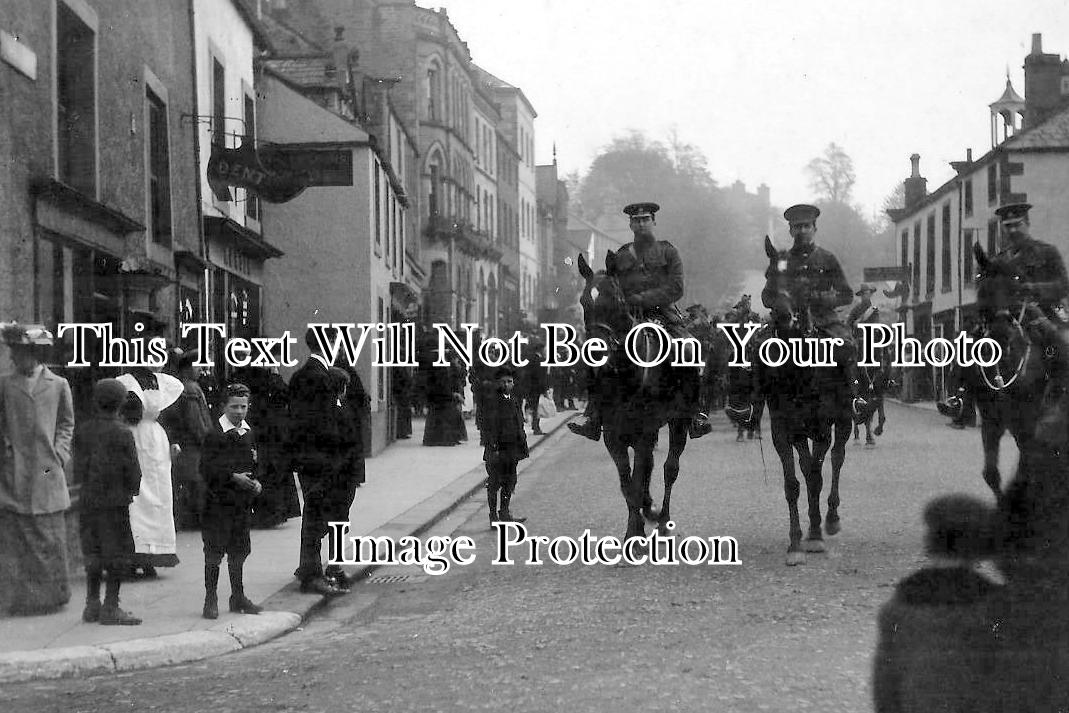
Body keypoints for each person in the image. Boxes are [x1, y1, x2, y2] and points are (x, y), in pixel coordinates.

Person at [569, 201, 708, 441]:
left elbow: (676, 287)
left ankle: (694, 413)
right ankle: (593, 415)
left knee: (688, 349)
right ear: (631, 225)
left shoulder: (668, 251)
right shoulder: (621, 255)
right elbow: (612, 284)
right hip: (627, 316)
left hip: (663, 315)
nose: (641, 224)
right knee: (597, 353)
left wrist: (642, 298)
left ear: (653, 222)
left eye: (645, 219)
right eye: (637, 220)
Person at [0, 323, 75, 616]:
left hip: (47, 470)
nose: (13, 358)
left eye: (18, 353)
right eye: (13, 353)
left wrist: (60, 454)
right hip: (15, 470)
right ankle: (22, 599)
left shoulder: (58, 384)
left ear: (34, 354)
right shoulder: (5, 385)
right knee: (18, 534)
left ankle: (52, 597)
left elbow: (67, 423)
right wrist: (6, 450)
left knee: (49, 535)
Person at [772, 203, 864, 409]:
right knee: (758, 351)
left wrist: (822, 298)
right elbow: (774, 289)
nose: (802, 231)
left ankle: (854, 399)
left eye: (806, 226)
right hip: (789, 319)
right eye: (797, 227)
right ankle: (751, 407)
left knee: (847, 346)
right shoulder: (783, 261)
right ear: (790, 230)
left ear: (815, 228)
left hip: (825, 320)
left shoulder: (827, 258)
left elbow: (846, 295)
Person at [76, 378, 143, 625]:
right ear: (121, 403)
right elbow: (133, 470)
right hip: (115, 503)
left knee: (93, 553)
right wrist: (132, 490)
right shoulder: (123, 433)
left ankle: (92, 604)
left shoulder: (84, 430)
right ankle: (111, 606)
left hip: (88, 501)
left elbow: (79, 468)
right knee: (117, 555)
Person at [288, 327, 344, 596]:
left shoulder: (301, 375)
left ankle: (309, 570)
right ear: (328, 343)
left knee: (315, 513)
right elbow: (324, 424)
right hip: (320, 458)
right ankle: (311, 574)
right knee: (316, 515)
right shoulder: (320, 377)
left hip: (308, 456)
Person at [200, 382, 263, 619]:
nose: (239, 411)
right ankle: (211, 598)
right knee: (214, 552)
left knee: (239, 550)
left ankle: (238, 596)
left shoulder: (248, 433)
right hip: (217, 503)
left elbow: (254, 463)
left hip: (241, 504)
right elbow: (206, 468)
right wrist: (233, 477)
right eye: (234, 406)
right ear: (224, 407)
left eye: (243, 406)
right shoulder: (214, 434)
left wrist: (256, 482)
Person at [117, 367, 183, 578]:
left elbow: (171, 416)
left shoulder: (163, 382)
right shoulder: (126, 382)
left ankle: (155, 555)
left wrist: (174, 441)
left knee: (160, 496)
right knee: (137, 499)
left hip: (157, 442)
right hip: (134, 438)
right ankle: (136, 555)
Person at [160, 349, 213, 530]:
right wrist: (207, 440)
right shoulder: (190, 388)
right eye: (198, 365)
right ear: (187, 367)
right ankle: (194, 519)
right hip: (192, 445)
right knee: (195, 481)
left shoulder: (182, 386)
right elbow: (195, 421)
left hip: (185, 443)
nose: (201, 369)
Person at [483, 367, 528, 526]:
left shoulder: (513, 399)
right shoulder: (492, 401)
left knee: (510, 481)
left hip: (512, 448)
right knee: (494, 483)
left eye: (510, 381)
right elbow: (488, 426)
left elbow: (518, 423)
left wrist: (522, 442)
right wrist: (493, 446)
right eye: (503, 382)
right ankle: (493, 516)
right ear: (497, 383)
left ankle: (505, 512)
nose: (507, 384)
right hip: (497, 449)